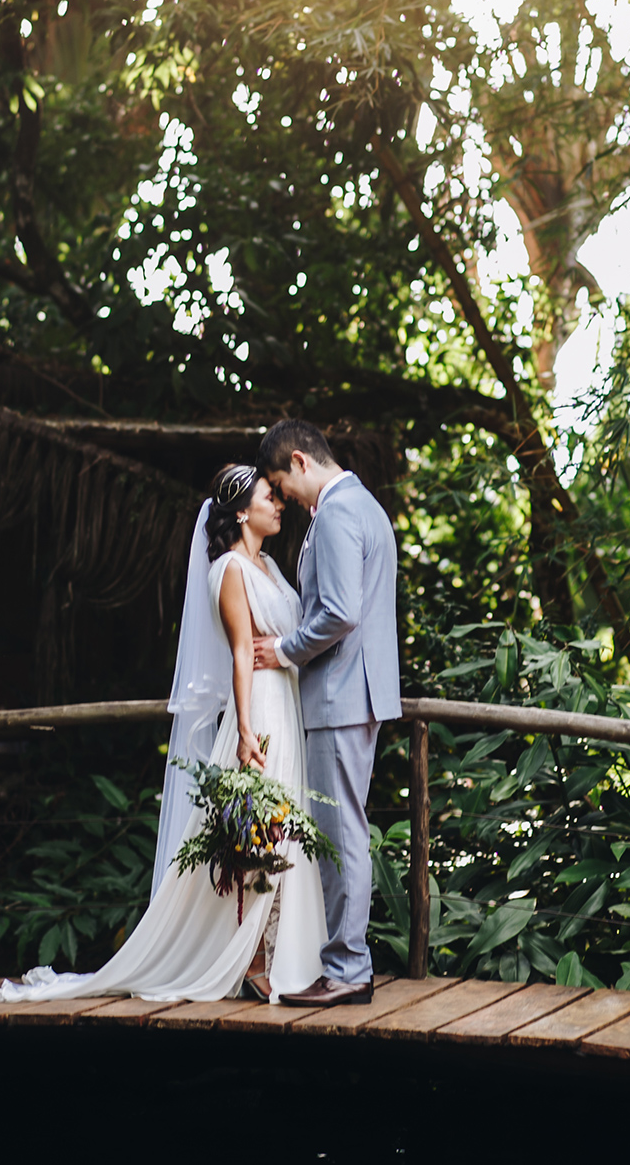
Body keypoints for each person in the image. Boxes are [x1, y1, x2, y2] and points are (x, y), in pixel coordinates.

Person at [0, 465, 327, 1006]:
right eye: (270, 497)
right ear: (242, 510)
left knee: (284, 829)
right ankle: (257, 961)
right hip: (260, 710)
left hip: (284, 705)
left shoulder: (267, 564)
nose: (279, 504)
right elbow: (242, 652)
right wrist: (245, 731)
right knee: (262, 830)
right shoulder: (230, 570)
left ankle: (280, 954)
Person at [253, 420, 400, 1007]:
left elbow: (338, 612)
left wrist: (284, 651)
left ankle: (347, 970)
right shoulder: (363, 506)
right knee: (345, 832)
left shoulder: (339, 513)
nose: (283, 496)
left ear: (299, 460)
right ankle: (346, 964)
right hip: (356, 692)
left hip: (341, 695)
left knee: (341, 835)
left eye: (280, 483)